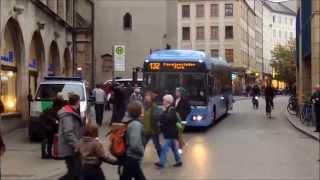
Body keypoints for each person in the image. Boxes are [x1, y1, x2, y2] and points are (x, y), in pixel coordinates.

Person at [58, 93, 83, 180]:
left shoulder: (71, 112)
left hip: (72, 148)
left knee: (75, 172)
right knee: (75, 173)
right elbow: (68, 132)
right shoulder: (68, 114)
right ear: (78, 102)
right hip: (70, 149)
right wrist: (77, 145)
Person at [120, 101, 146, 180]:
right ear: (138, 111)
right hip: (132, 158)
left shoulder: (128, 121)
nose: (143, 110)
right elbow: (135, 144)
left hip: (129, 158)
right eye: (142, 108)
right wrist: (141, 151)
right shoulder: (136, 124)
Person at [155, 95, 182, 168]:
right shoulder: (167, 109)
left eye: (164, 100)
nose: (163, 102)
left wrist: (163, 114)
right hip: (169, 132)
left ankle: (161, 163)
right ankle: (179, 161)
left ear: (168, 101)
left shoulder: (171, 109)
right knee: (174, 149)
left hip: (171, 133)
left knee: (164, 148)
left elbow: (169, 119)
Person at [143, 91, 162, 158]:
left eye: (148, 96)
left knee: (157, 145)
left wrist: (156, 116)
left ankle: (162, 159)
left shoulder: (154, 106)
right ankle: (138, 159)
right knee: (143, 145)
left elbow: (158, 116)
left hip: (153, 130)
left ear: (151, 98)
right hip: (146, 130)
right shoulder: (145, 106)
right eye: (145, 96)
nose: (146, 97)